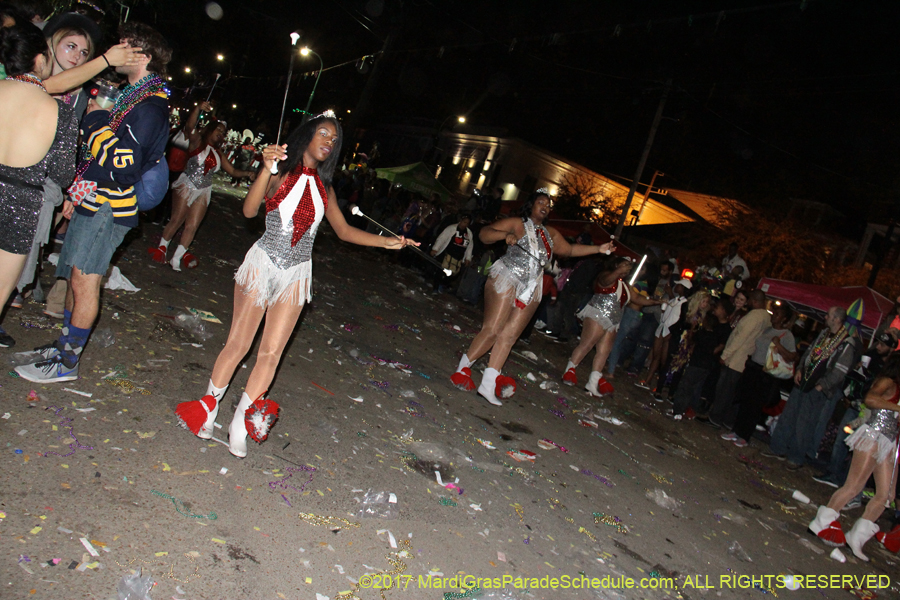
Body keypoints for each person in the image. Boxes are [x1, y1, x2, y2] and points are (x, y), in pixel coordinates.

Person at [173, 114, 416, 458]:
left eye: (334, 140)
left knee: (272, 353)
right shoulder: (280, 172)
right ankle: (209, 407)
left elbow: (344, 232)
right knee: (239, 343)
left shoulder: (325, 188)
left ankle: (240, 422)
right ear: (307, 135)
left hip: (297, 273)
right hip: (263, 262)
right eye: (323, 134)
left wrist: (388, 243)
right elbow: (248, 210)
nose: (329, 142)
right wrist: (265, 168)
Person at [15, 21, 171, 382]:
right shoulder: (131, 95)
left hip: (109, 207)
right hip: (95, 199)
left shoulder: (149, 105)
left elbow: (124, 165)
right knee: (75, 276)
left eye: (125, 44)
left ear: (143, 55)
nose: (116, 48)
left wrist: (96, 119)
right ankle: (65, 343)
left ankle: (67, 362)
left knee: (86, 280)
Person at [449, 189, 615, 406]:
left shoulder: (551, 234)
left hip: (531, 287)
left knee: (509, 336)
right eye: (541, 202)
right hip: (507, 276)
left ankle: (488, 385)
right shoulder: (518, 223)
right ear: (532, 204)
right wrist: (504, 235)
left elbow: (571, 250)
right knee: (493, 329)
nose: (545, 206)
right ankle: (462, 370)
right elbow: (484, 234)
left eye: (548, 204)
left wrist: (599, 249)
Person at [0, 22, 76, 347]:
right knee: (2, 288)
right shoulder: (59, 111)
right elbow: (62, 175)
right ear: (41, 59)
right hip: (21, 202)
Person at [808, 355, 900, 561]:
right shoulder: (888, 381)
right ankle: (821, 522)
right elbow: (870, 399)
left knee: (886, 496)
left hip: (888, 442)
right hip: (872, 436)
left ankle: (856, 538)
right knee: (854, 486)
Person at [149, 102, 255, 271]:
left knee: (192, 226)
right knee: (177, 219)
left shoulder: (219, 153)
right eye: (218, 130)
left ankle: (176, 258)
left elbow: (233, 171)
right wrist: (197, 109)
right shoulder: (197, 141)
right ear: (211, 129)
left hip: (204, 190)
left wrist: (248, 174)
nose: (221, 133)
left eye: (223, 132)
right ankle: (162, 248)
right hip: (187, 184)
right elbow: (190, 126)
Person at [763, 306, 861, 470]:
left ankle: (796, 457)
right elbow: (809, 353)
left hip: (817, 389)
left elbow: (840, 371)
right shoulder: (824, 335)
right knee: (789, 416)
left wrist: (822, 385)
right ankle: (778, 447)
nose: (825, 317)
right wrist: (800, 369)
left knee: (805, 424)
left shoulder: (846, 343)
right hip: (804, 381)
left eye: (828, 315)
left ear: (836, 319)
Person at [562, 256, 659, 397]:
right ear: (616, 265)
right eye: (624, 265)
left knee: (604, 352)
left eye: (628, 267)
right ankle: (569, 371)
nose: (627, 268)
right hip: (598, 314)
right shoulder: (606, 275)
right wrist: (618, 270)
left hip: (614, 321)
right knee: (587, 345)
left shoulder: (626, 285)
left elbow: (638, 299)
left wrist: (658, 302)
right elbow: (605, 281)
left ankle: (592, 384)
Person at [812, 332, 894, 489]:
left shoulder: (891, 367)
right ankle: (833, 474)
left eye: (883, 345)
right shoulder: (871, 355)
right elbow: (856, 379)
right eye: (878, 343)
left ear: (891, 348)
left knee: (861, 447)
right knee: (842, 438)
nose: (878, 346)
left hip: (872, 414)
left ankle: (851, 484)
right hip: (856, 404)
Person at [721, 304, 798, 447]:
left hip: (765, 374)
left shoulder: (787, 335)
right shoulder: (767, 329)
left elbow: (792, 357)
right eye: (774, 313)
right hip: (753, 368)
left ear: (784, 318)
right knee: (744, 400)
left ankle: (745, 435)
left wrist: (778, 345)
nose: (774, 316)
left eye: (778, 314)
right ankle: (736, 430)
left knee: (754, 405)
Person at [702, 289, 772, 427]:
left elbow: (740, 337)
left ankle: (715, 418)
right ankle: (726, 420)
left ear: (755, 301)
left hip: (736, 359)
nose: (748, 302)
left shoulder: (754, 316)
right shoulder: (766, 318)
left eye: (750, 299)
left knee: (724, 391)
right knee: (732, 393)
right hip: (744, 359)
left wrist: (725, 354)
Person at [670, 298, 733, 419]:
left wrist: (709, 351)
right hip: (703, 361)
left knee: (689, 386)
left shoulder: (723, 328)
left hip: (705, 362)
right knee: (693, 386)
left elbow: (721, 345)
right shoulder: (714, 324)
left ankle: (681, 409)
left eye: (718, 308)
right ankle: (684, 409)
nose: (715, 309)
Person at [635, 280, 696, 400]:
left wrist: (673, 333)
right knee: (656, 356)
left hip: (670, 333)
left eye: (678, 285)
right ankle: (648, 380)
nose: (675, 286)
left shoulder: (685, 304)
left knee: (664, 361)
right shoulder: (675, 300)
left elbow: (681, 321)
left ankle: (659, 387)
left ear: (682, 288)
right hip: (662, 328)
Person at [429, 214, 473, 291]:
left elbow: (469, 246)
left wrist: (468, 257)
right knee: (441, 271)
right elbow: (442, 238)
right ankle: (436, 288)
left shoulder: (468, 233)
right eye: (464, 222)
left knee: (453, 274)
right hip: (447, 253)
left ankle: (443, 285)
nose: (464, 224)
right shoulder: (452, 228)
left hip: (458, 256)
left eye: (467, 223)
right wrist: (435, 248)